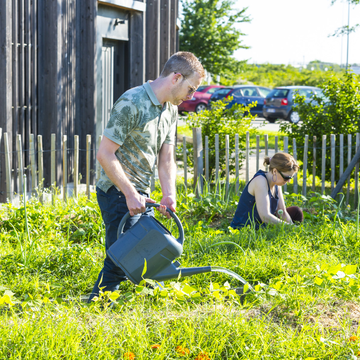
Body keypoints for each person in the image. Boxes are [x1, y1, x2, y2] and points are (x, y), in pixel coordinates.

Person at [88, 52, 205, 302]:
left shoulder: (170, 110)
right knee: (123, 255)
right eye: (191, 88)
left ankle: (141, 300)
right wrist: (130, 193)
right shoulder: (132, 101)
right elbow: (105, 154)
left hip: (143, 195)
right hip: (117, 191)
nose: (191, 96)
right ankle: (98, 305)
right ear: (176, 77)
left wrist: (169, 194)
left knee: (148, 248)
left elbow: (166, 159)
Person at [230, 152, 304, 229]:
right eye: (286, 177)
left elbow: (282, 212)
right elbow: (265, 216)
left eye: (290, 178)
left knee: (296, 211)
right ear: (275, 171)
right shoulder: (260, 181)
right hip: (247, 227)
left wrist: (294, 228)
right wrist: (291, 227)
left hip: (262, 224)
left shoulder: (276, 183)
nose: (288, 181)